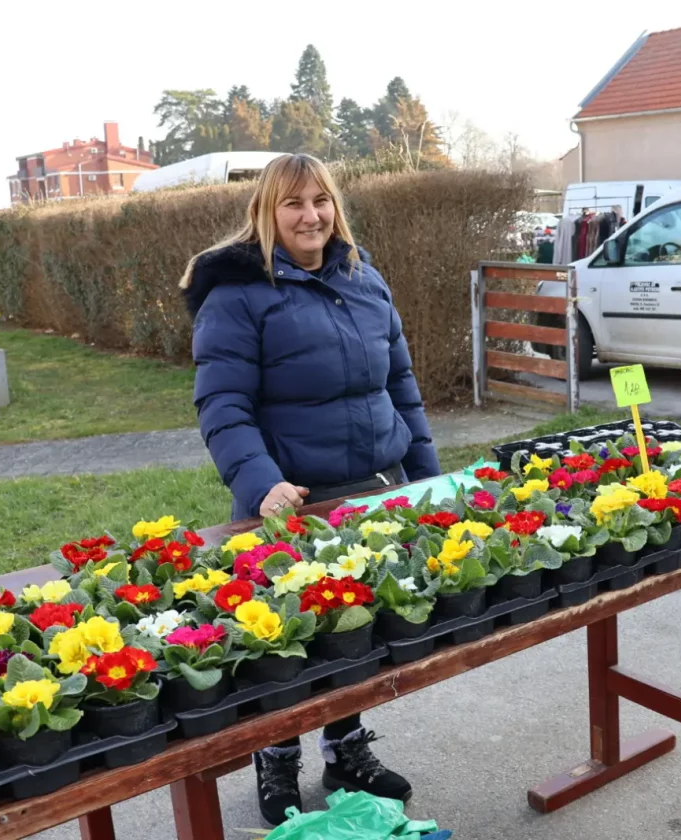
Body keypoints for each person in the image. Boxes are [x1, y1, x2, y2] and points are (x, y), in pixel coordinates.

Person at [180, 153, 441, 826]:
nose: (311, 216)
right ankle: (277, 759)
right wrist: (260, 484)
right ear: (266, 211)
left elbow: (402, 391)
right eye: (294, 203)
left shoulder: (366, 280)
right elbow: (223, 406)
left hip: (370, 494)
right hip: (288, 505)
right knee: (286, 644)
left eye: (321, 200)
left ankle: (347, 749)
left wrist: (430, 483)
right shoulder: (236, 294)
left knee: (351, 635)